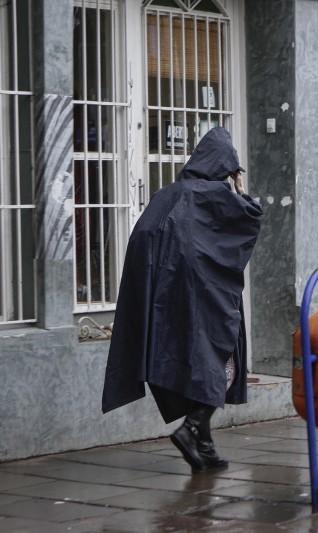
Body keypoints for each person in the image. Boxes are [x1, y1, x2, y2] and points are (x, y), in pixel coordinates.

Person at [102, 127, 263, 472]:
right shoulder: (214, 196)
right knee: (220, 356)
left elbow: (145, 239)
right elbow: (249, 220)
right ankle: (193, 429)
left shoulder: (169, 194)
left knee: (195, 361)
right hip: (203, 296)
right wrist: (241, 192)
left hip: (163, 298)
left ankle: (203, 445)